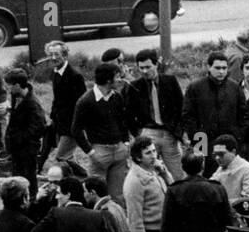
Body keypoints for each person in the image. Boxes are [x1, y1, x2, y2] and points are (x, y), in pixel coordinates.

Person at [71, 63, 130, 202]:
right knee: (96, 196)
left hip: (119, 151)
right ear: (108, 80)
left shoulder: (117, 97)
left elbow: (122, 122)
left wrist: (126, 143)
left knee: (118, 196)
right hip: (100, 152)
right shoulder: (86, 101)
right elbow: (76, 130)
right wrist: (91, 153)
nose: (120, 79)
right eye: (117, 76)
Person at [183, 52, 246, 179]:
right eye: (217, 68)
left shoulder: (234, 87)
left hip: (228, 142)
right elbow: (188, 115)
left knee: (229, 176)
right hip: (204, 142)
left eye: (224, 68)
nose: (221, 71)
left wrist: (237, 135)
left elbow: (243, 114)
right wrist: (197, 138)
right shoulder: (196, 87)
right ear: (209, 67)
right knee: (205, 176)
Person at [126, 49, 185, 183]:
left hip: (168, 133)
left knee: (178, 174)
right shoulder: (135, 86)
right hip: (148, 132)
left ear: (156, 64)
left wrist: (178, 132)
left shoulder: (170, 81)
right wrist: (138, 134)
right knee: (147, 174)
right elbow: (129, 114)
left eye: (148, 67)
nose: (145, 71)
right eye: (141, 68)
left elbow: (181, 107)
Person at [44, 41, 87, 171]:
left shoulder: (75, 76)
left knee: (61, 156)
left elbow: (82, 102)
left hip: (71, 125)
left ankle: (83, 177)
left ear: (65, 55)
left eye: (56, 54)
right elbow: (57, 99)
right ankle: (80, 178)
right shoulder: (56, 72)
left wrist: (78, 125)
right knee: (67, 157)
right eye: (50, 54)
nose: (53, 58)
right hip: (60, 123)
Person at [2, 70, 47, 192]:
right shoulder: (16, 96)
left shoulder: (32, 103)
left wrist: (20, 138)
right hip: (17, 149)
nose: (7, 89)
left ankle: (32, 205)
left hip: (27, 149)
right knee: (17, 180)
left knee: (28, 180)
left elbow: (40, 126)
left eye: (9, 85)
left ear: (17, 85)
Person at [210, 134, 249, 208]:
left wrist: (222, 203)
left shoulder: (247, 169)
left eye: (221, 154)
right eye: (215, 155)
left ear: (233, 152)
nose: (217, 158)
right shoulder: (220, 169)